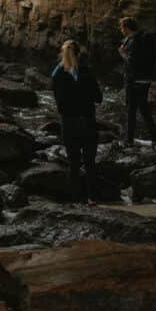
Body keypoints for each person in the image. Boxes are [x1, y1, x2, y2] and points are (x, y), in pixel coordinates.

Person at [51, 39, 103, 203]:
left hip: (68, 122)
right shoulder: (87, 72)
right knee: (89, 162)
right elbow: (99, 98)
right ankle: (92, 197)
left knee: (73, 163)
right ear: (80, 53)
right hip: (87, 121)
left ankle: (74, 198)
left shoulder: (57, 73)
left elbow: (59, 102)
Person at [118, 16, 156, 144]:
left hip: (133, 79)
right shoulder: (146, 38)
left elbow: (132, 62)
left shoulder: (132, 40)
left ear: (126, 27)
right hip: (146, 79)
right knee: (144, 108)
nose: (121, 30)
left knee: (131, 109)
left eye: (122, 27)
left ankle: (129, 140)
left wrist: (122, 53)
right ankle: (155, 139)